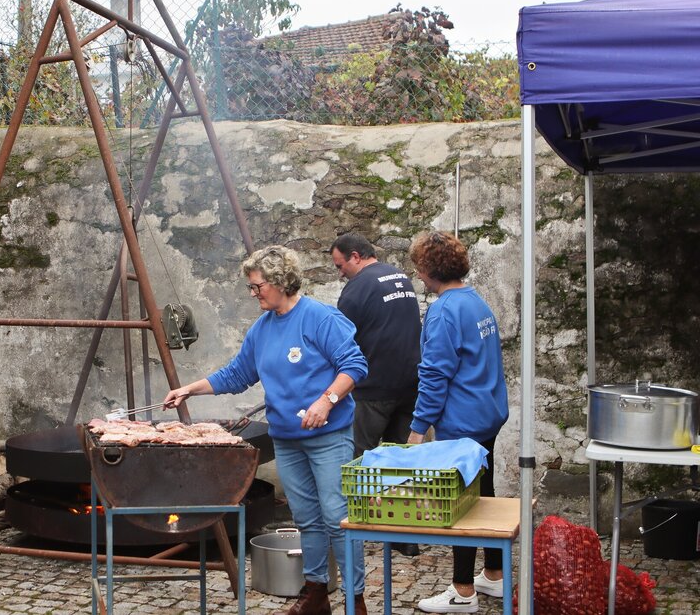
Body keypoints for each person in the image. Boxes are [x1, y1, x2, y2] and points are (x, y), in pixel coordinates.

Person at [164, 245, 370, 615]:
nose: (254, 293)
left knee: (337, 518)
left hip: (328, 438)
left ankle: (356, 600)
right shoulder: (262, 329)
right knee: (306, 519)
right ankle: (316, 593)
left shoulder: (320, 318)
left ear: (280, 281)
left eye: (257, 286)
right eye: (252, 287)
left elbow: (354, 365)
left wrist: (326, 401)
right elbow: (237, 374)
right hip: (287, 441)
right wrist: (188, 390)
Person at [405, 231, 509, 614]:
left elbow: (434, 374)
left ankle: (462, 591)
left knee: (460, 503)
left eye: (418, 267)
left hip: (463, 421)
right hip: (488, 414)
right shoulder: (476, 301)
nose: (417, 275)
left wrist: (418, 430)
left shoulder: (444, 310)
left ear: (430, 270)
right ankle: (494, 575)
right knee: (485, 493)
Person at [330, 233, 423, 558]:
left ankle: (356, 531)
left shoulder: (357, 289)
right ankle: (404, 536)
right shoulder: (401, 276)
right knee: (401, 461)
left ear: (355, 256)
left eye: (340, 265)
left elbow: (339, 342)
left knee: (358, 458)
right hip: (410, 386)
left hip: (372, 388)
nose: (340, 273)